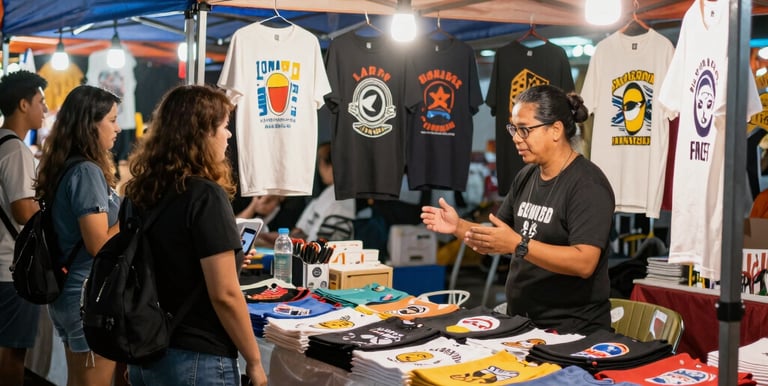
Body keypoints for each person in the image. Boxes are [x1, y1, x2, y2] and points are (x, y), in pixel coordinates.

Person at [421, 85, 615, 334]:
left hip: (571, 331)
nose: (515, 138)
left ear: (555, 130)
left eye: (524, 129)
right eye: (513, 128)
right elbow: (498, 238)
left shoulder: (587, 184)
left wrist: (519, 245)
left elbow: (584, 262)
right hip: (523, 324)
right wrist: (458, 226)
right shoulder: (527, 175)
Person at [123, 85, 267, 386]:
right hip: (197, 358)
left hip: (145, 352)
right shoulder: (205, 196)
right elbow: (225, 293)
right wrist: (254, 361)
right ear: (202, 132)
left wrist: (232, 257)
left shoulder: (138, 193)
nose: (228, 135)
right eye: (224, 126)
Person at [35, 85, 122, 385]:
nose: (118, 128)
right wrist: (130, 216)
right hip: (86, 297)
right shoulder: (86, 172)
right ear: (91, 124)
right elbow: (98, 243)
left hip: (69, 294)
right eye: (111, 120)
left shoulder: (65, 166)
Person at [0, 70, 48, 385]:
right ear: (23, 104)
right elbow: (22, 210)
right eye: (40, 102)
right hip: (10, 269)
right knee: (13, 352)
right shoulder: (16, 150)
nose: (45, 109)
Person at [259, 142, 355, 244]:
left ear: (331, 166)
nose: (319, 169)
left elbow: (325, 241)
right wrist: (281, 237)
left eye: (320, 163)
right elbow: (302, 232)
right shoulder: (327, 195)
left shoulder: (341, 199)